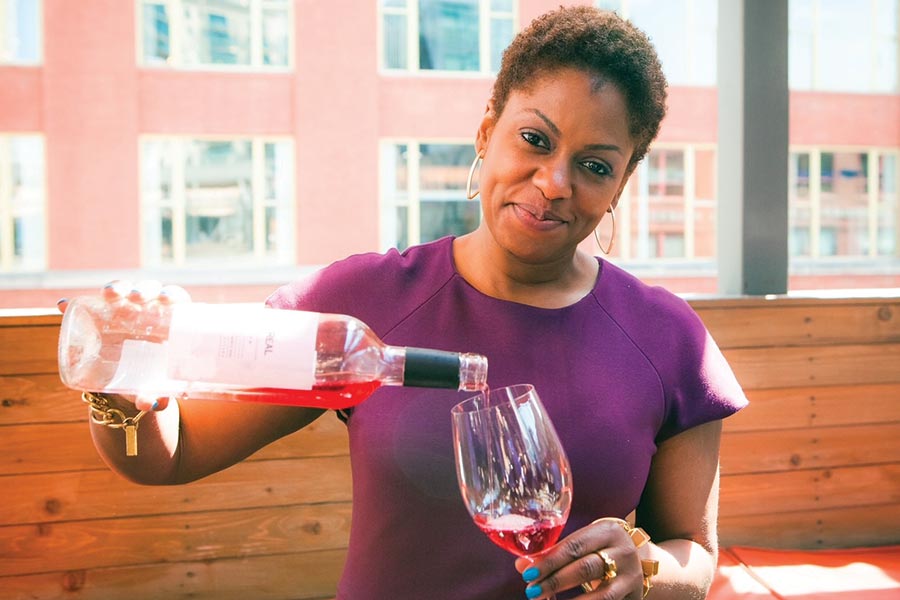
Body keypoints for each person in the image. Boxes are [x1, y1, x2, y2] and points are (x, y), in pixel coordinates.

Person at [58, 6, 747, 599]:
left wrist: (649, 568)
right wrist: (121, 395)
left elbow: (697, 550)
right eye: (534, 139)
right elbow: (169, 456)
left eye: (595, 165)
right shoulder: (361, 303)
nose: (554, 181)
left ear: (621, 182)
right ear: (487, 133)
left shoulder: (667, 338)